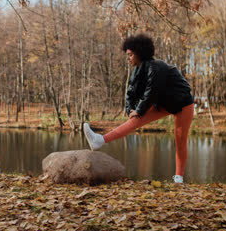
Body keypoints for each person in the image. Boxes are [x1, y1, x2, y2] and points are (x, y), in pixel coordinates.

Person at [83, 34, 194, 183]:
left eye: (130, 55)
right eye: (126, 55)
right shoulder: (137, 71)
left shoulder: (156, 68)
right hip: (163, 103)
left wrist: (140, 110)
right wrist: (131, 110)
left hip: (182, 103)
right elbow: (131, 93)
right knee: (135, 120)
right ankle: (99, 140)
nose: (128, 58)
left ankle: (179, 178)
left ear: (139, 53)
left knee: (180, 141)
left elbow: (152, 91)